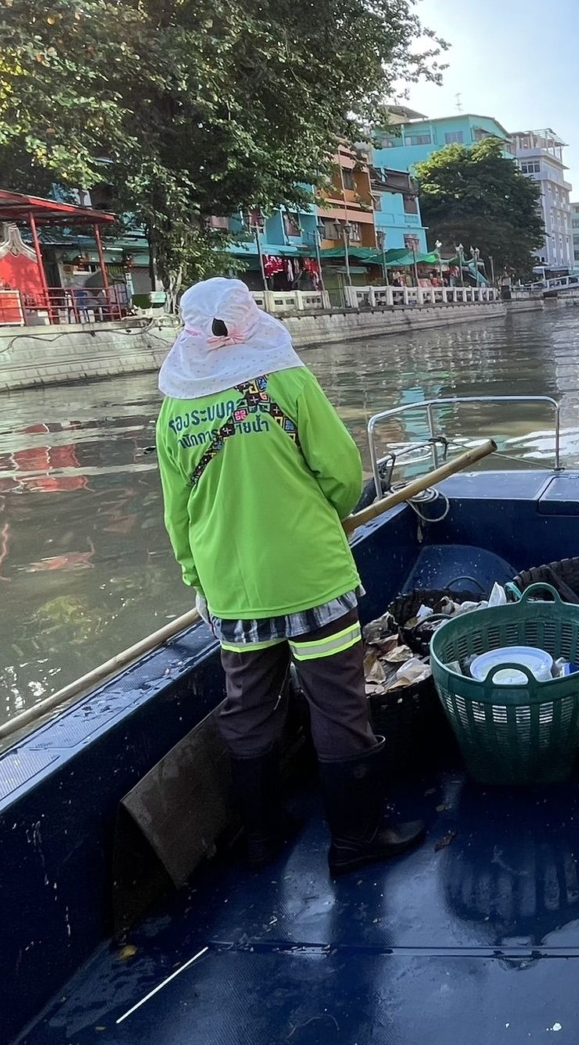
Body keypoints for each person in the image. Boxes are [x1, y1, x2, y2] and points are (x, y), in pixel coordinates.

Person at [154, 278, 425, 877]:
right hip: (311, 579)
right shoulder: (287, 381)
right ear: (249, 317)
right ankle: (355, 840)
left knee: (248, 707)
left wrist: (198, 580)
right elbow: (342, 475)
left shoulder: (175, 408)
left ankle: (261, 836)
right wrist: (322, 516)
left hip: (232, 590)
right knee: (337, 704)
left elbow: (177, 514)